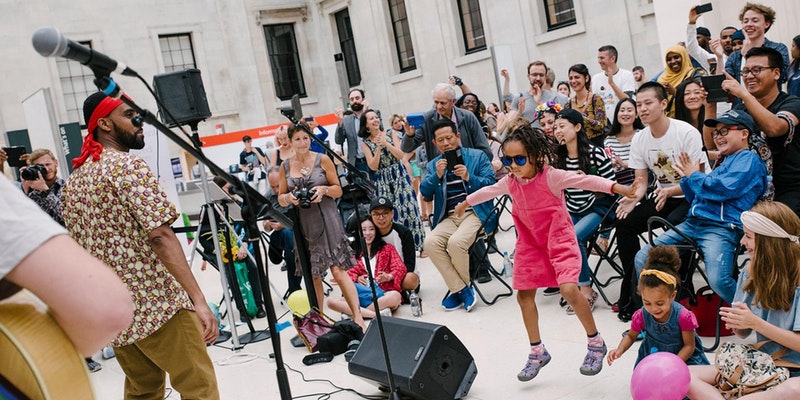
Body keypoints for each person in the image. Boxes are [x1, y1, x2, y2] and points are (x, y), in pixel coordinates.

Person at [63, 92, 219, 399]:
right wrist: (198, 298)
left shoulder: (74, 182)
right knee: (199, 388)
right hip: (159, 306)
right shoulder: (127, 166)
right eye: (129, 116)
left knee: (143, 392)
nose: (139, 122)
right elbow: (160, 236)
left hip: (117, 315)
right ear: (105, 124)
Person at [454, 124, 640, 381]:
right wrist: (466, 202)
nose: (513, 165)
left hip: (560, 240)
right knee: (524, 298)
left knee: (569, 289)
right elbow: (489, 191)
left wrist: (619, 189)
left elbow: (585, 180)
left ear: (535, 156)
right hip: (530, 245)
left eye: (519, 159)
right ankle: (537, 351)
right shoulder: (510, 181)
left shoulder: (551, 177)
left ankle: (595, 343)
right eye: (507, 160)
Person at [0, 174, 133, 363]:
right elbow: (106, 309)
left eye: (47, 164)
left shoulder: (67, 185)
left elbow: (68, 217)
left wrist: (45, 192)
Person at [614, 82, 708, 323]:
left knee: (674, 227)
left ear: (664, 104)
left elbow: (697, 179)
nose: (642, 109)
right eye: (639, 105)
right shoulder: (640, 139)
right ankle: (635, 286)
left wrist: (670, 191)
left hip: (693, 196)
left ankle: (674, 294)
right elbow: (641, 180)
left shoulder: (685, 132)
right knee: (624, 221)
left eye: (648, 103)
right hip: (662, 196)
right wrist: (633, 198)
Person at [687, 202, 800, 399]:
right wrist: (737, 323)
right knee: (685, 375)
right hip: (763, 364)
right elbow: (743, 333)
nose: (741, 242)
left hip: (794, 372)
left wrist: (756, 323)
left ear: (769, 242)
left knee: (790, 390)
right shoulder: (751, 272)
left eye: (748, 236)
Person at [277, 122, 366, 331]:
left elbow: (339, 190)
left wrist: (324, 190)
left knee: (338, 270)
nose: (302, 142)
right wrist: (290, 197)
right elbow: (280, 198)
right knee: (313, 274)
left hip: (327, 218)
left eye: (306, 138)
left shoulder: (323, 159)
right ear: (290, 142)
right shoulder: (285, 166)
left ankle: (358, 316)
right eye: (297, 139)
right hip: (304, 224)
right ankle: (320, 321)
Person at [714, 46, 800, 215]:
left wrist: (744, 95)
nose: (749, 76)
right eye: (745, 71)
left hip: (789, 187)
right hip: (749, 187)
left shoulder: (792, 102)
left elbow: (775, 128)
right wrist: (710, 104)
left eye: (757, 70)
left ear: (776, 73)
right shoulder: (741, 108)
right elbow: (711, 142)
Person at [420, 119, 495, 313]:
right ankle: (462, 289)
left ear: (458, 137)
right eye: (440, 140)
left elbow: (491, 185)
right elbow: (425, 193)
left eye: (449, 138)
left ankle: (458, 290)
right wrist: (435, 176)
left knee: (456, 243)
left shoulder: (477, 156)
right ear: (435, 143)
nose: (446, 143)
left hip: (476, 212)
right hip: (449, 216)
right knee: (430, 243)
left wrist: (470, 177)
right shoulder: (434, 165)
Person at [553, 109, 615, 314]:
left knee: (573, 237)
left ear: (577, 127)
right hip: (573, 208)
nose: (557, 131)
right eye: (555, 128)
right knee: (556, 236)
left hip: (598, 207)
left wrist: (590, 182)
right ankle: (569, 287)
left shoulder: (595, 153)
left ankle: (586, 291)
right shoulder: (558, 158)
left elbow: (612, 186)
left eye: (562, 126)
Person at [608, 246, 709, 367]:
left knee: (691, 382)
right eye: (647, 303)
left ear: (672, 296)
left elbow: (689, 346)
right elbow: (630, 335)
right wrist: (619, 350)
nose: (654, 309)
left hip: (682, 358)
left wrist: (672, 364)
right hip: (653, 355)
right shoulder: (641, 315)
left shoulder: (683, 316)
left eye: (660, 303)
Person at [360, 109, 425, 251]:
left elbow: (401, 154)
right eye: (371, 119)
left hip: (399, 174)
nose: (375, 120)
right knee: (390, 212)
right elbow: (373, 166)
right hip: (383, 179)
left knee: (409, 209)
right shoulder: (365, 143)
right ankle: (398, 248)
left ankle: (419, 245)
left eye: (376, 117)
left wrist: (385, 143)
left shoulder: (391, 133)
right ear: (366, 125)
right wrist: (378, 147)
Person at [327, 216, 404, 318]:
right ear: (358, 232)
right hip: (361, 295)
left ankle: (355, 313)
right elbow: (348, 273)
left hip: (382, 293)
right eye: (363, 230)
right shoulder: (353, 253)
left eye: (371, 229)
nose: (367, 233)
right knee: (331, 302)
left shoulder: (387, 249)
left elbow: (400, 268)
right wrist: (357, 278)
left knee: (395, 296)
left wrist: (388, 276)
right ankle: (376, 314)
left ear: (376, 230)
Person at [401, 82, 492, 161]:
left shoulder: (468, 117)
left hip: (470, 169)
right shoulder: (427, 119)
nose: (439, 107)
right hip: (442, 174)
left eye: (443, 103)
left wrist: (476, 167)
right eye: (436, 102)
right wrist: (409, 135)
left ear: (453, 101)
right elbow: (406, 148)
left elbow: (485, 149)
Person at [725, 3, 790, 91]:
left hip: (770, 103)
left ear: (767, 24)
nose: (749, 24)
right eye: (745, 21)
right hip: (741, 103)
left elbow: (782, 77)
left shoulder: (778, 48)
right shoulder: (735, 56)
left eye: (755, 21)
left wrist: (747, 56)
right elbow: (727, 83)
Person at [368, 196, 419, 293]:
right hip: (377, 278)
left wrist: (391, 276)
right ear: (371, 215)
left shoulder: (403, 232)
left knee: (410, 280)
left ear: (392, 213)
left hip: (401, 274)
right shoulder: (369, 233)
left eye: (385, 213)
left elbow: (410, 264)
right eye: (376, 214)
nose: (381, 218)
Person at [605, 97, 644, 186]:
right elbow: (610, 164)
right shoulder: (609, 140)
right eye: (622, 110)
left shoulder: (642, 135)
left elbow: (647, 162)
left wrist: (626, 165)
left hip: (642, 182)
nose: (625, 113)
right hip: (619, 185)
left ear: (636, 114)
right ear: (617, 114)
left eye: (629, 110)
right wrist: (613, 165)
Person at [566, 63, 608, 146]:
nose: (573, 81)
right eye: (571, 78)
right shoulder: (568, 104)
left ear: (586, 78)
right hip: (578, 146)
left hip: (596, 144)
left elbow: (602, 125)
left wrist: (580, 118)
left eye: (577, 77)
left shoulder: (596, 99)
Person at [593, 45, 636, 123]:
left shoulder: (626, 75)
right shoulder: (596, 78)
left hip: (624, 122)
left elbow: (627, 100)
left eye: (602, 58)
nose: (599, 61)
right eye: (598, 58)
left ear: (613, 58)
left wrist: (611, 83)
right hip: (605, 125)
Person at [21, 148, 64, 226]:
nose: (46, 169)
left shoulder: (66, 187)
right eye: (41, 167)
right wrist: (25, 192)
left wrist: (46, 191)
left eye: (48, 164)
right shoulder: (32, 192)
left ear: (56, 163)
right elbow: (21, 220)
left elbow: (66, 216)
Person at [335, 88, 373, 175]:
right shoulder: (347, 120)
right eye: (352, 99)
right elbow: (338, 140)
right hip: (357, 164)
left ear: (363, 99)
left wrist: (365, 114)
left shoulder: (374, 114)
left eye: (357, 98)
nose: (354, 101)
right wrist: (340, 122)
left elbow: (377, 131)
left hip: (373, 159)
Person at [656, 45, 700, 116]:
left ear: (684, 57)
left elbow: (699, 97)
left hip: (691, 118)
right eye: (669, 59)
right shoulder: (662, 79)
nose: (673, 61)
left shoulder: (693, 75)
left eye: (676, 57)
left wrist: (675, 93)